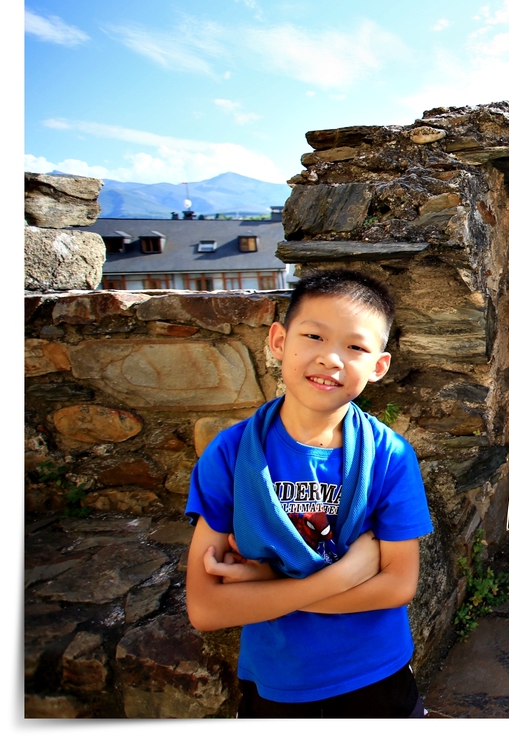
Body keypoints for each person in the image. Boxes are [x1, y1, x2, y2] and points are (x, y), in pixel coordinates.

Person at [184, 269, 434, 718]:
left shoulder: (389, 457)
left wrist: (266, 584)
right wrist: (344, 575)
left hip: (376, 674)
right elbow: (205, 608)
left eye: (355, 346)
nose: (331, 358)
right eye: (314, 336)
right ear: (279, 341)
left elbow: (399, 585)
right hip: (277, 681)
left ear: (378, 366)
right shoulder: (231, 454)